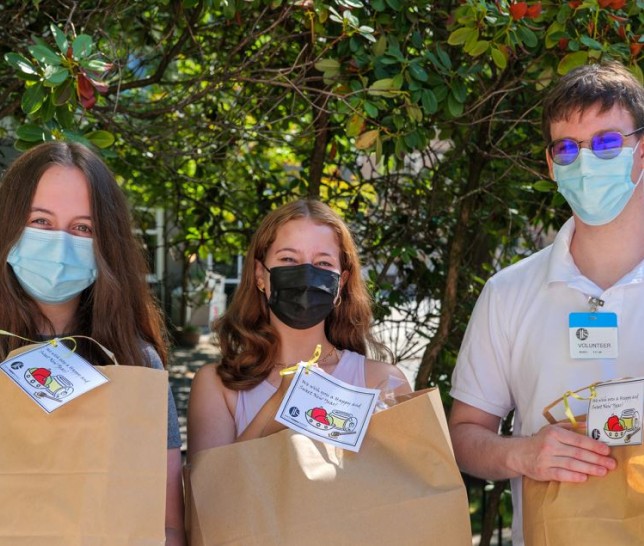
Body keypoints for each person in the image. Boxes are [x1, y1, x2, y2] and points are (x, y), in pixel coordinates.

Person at [448, 60, 644, 544]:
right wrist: (523, 454)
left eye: (606, 143)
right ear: (551, 165)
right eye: (567, 148)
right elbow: (463, 436)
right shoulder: (508, 292)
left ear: (642, 151)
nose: (585, 161)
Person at [0, 141, 186, 545]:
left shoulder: (136, 364)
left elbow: (168, 525)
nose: (61, 245)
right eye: (41, 221)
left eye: (83, 228)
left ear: (107, 243)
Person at [187, 199, 411, 454]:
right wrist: (281, 403)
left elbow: (413, 486)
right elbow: (210, 490)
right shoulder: (218, 386)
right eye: (289, 259)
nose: (306, 274)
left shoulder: (382, 384)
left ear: (342, 282)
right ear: (260, 274)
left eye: (323, 263)